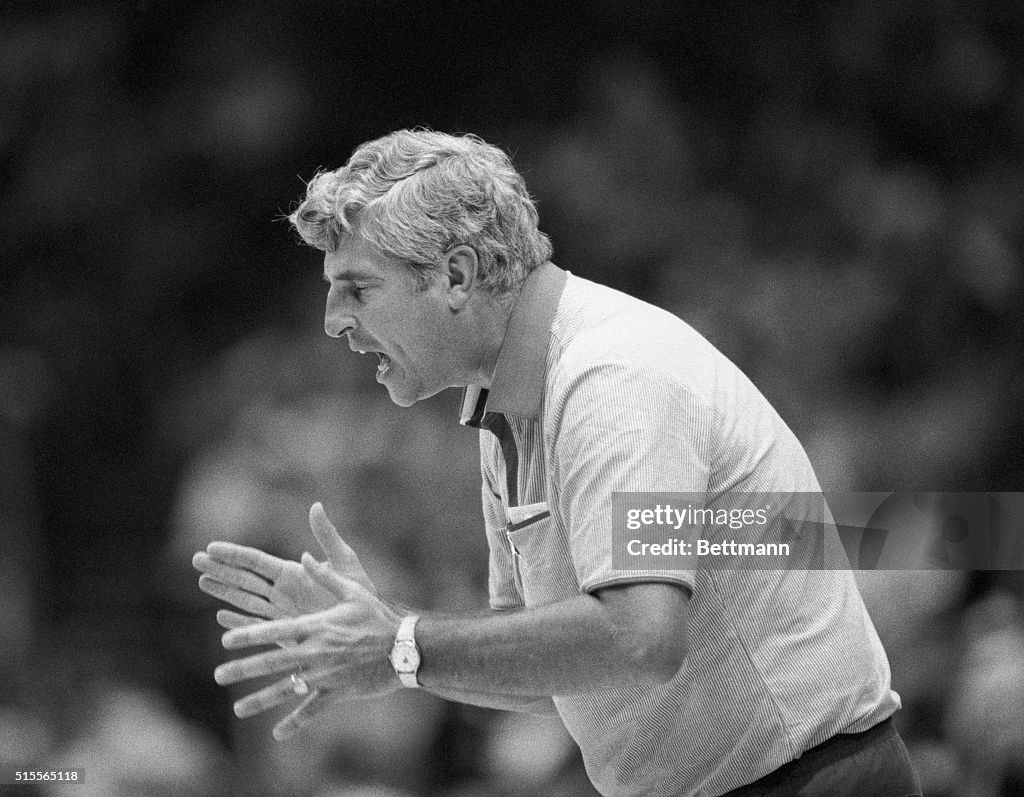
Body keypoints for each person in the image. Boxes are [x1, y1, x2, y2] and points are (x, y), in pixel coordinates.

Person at [193, 129, 922, 796]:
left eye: (356, 288)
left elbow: (638, 636)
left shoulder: (614, 373)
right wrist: (383, 639)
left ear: (456, 274)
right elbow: (547, 677)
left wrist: (398, 645)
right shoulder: (507, 401)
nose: (333, 322)